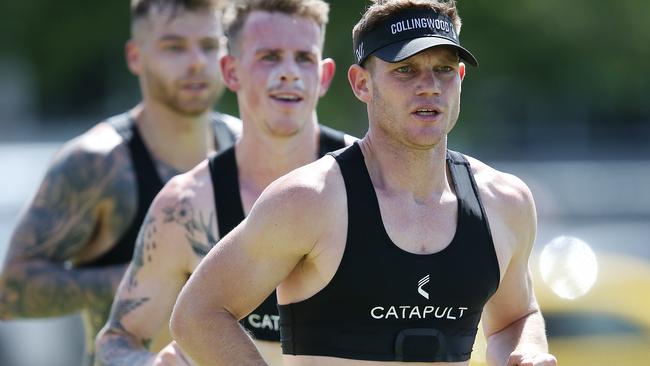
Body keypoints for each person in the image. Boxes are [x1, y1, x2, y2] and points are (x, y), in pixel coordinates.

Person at [170, 0, 559, 365]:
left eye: (442, 68)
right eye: (404, 70)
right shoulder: (308, 199)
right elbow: (198, 314)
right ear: (361, 84)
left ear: (459, 77)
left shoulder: (504, 201)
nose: (429, 86)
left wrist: (529, 349)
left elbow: (515, 318)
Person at [95, 0, 354, 365]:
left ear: (325, 76)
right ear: (230, 72)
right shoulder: (185, 206)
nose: (288, 73)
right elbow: (116, 341)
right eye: (269, 57)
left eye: (303, 58)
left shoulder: (373, 178)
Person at [0, 0, 240, 363]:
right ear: (135, 57)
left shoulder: (243, 149)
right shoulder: (97, 162)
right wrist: (148, 277)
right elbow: (11, 291)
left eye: (208, 46)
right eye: (173, 47)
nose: (195, 62)